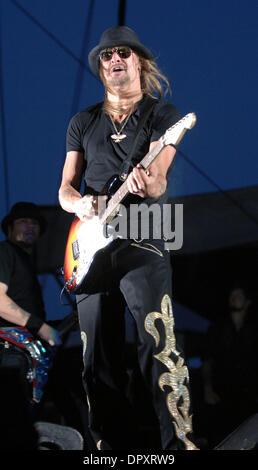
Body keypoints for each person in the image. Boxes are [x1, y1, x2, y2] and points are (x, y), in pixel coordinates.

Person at [59, 26, 197, 450]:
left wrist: (146, 182)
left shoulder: (163, 115)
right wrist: (78, 203)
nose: (114, 59)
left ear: (139, 61)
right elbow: (65, 189)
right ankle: (108, 449)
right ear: (102, 68)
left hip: (143, 238)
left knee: (158, 344)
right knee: (96, 358)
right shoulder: (83, 121)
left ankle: (180, 445)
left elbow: (157, 184)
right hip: (91, 245)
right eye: (106, 56)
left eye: (123, 52)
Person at [0, 202, 61, 448]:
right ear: (9, 228)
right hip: (9, 354)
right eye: (23, 222)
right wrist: (41, 327)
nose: (30, 227)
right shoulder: (5, 252)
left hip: (27, 355)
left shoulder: (25, 262)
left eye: (34, 223)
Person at [202, 286, 258, 447]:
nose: (233, 298)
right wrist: (208, 388)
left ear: (247, 302)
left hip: (250, 394)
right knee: (221, 436)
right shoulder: (217, 328)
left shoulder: (254, 329)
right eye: (231, 294)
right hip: (221, 393)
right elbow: (207, 359)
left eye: (238, 295)